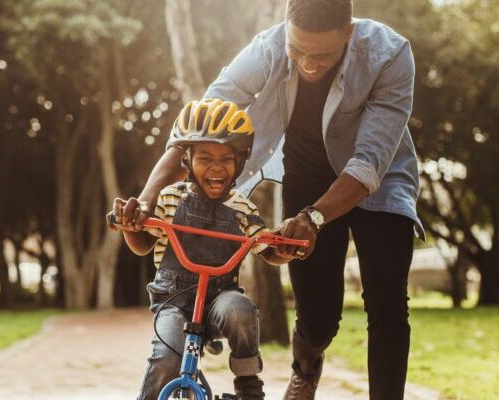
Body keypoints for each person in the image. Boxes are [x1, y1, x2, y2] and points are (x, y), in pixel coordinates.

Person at [112, 0, 425, 398]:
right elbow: (203, 122)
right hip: (308, 175)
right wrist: (149, 196)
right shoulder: (268, 48)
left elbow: (368, 163)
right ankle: (307, 368)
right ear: (285, 30)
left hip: (379, 180)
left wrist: (313, 218)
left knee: (387, 303)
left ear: (349, 34)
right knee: (318, 314)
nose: (308, 65)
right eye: (299, 52)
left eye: (322, 55)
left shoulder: (391, 55)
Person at [108, 99, 300, 400]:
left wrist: (285, 248)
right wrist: (132, 227)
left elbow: (266, 247)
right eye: (205, 158)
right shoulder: (171, 198)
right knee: (167, 357)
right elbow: (143, 245)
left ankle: (249, 386)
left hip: (219, 300)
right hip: (173, 301)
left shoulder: (242, 207)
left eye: (226, 158)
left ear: (241, 160)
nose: (216, 167)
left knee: (240, 310)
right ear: (186, 160)